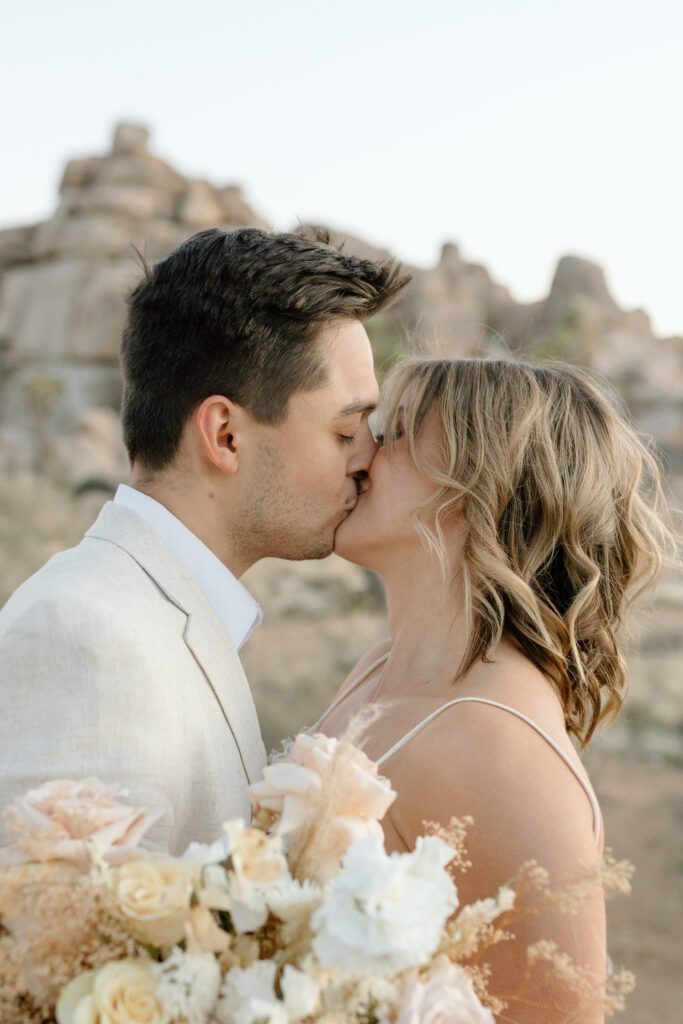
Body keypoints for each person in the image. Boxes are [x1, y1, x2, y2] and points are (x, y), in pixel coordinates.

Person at [0, 227, 409, 855]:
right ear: (225, 436)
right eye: (346, 429)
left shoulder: (160, 611)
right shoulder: (84, 636)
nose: (367, 459)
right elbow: (48, 942)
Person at [317, 357, 673, 1023]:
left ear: (474, 488)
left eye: (394, 433)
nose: (359, 451)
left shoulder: (501, 754)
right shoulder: (376, 669)